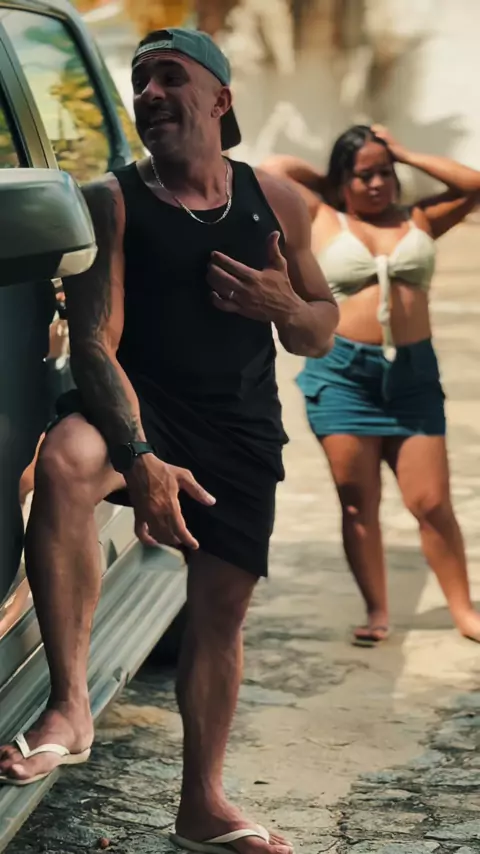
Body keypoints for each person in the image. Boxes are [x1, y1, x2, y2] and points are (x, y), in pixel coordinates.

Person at [0, 27, 338, 854]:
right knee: (70, 458)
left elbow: (319, 330)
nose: (149, 94)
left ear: (220, 100)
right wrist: (142, 458)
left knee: (220, 616)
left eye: (170, 77)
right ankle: (71, 707)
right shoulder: (112, 202)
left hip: (241, 423)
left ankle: (202, 805)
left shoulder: (277, 199)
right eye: (140, 80)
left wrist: (285, 306)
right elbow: (94, 344)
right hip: (139, 407)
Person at [262, 125, 480, 647]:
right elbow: (271, 170)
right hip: (342, 377)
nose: (378, 183)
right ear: (344, 178)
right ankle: (378, 610)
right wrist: (328, 180)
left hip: (413, 378)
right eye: (364, 175)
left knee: (431, 503)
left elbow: (473, 185)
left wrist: (401, 150)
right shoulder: (319, 216)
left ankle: (464, 610)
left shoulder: (420, 218)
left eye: (386, 172)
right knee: (358, 502)